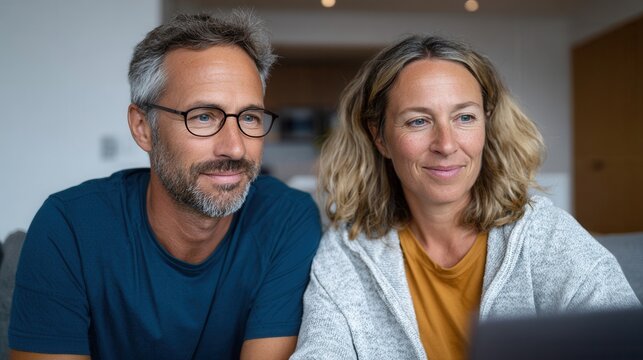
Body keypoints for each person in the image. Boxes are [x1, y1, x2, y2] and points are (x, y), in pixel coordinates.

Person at [291, 35, 640, 360]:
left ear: (486, 125)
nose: (446, 144)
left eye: (465, 117)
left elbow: (626, 342)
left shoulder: (545, 235)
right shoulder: (346, 253)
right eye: (418, 122)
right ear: (380, 137)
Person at [9, 11, 321, 360]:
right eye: (203, 116)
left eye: (249, 117)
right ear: (143, 127)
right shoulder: (68, 226)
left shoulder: (287, 218)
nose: (234, 147)